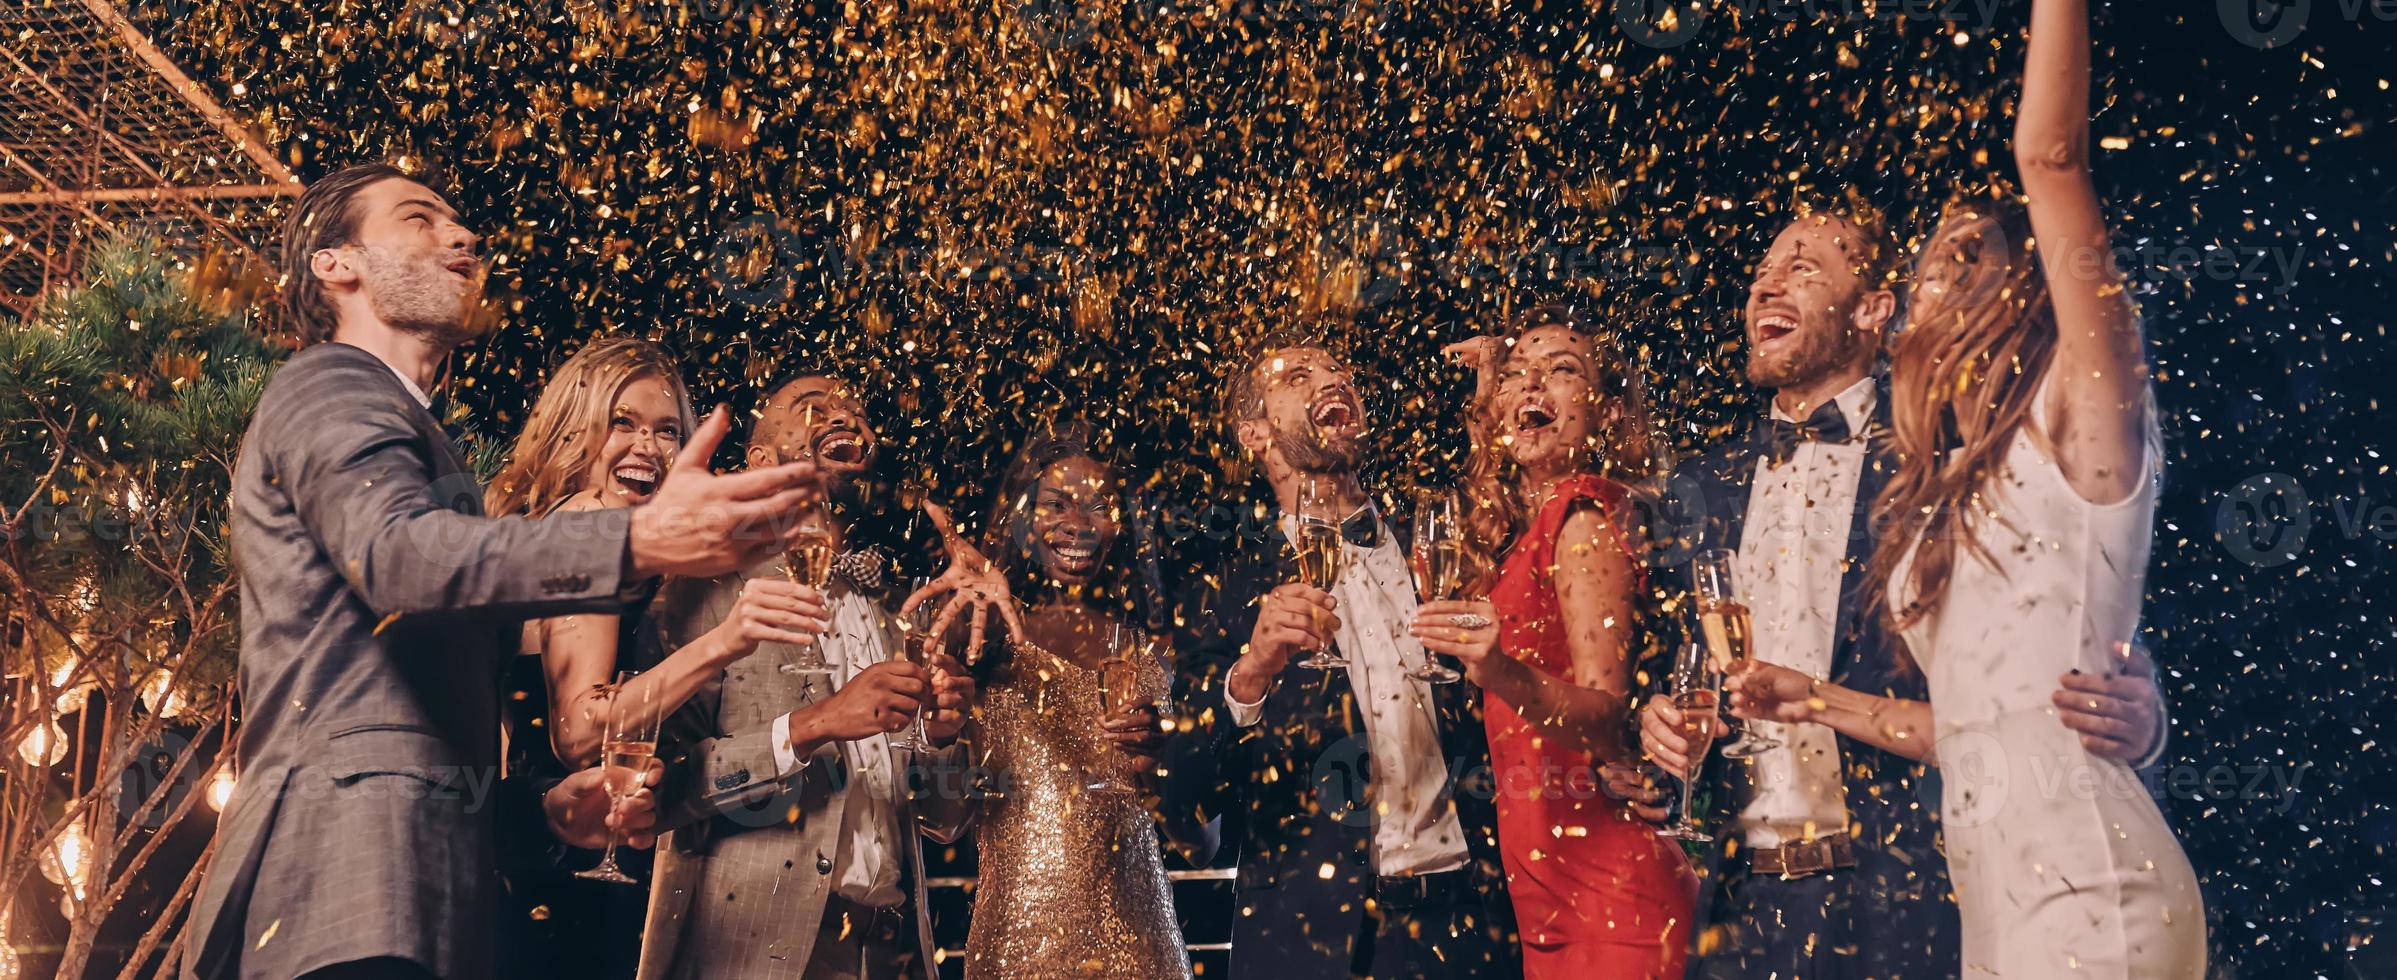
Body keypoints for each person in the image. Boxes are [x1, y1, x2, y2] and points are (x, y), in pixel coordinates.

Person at [188, 161, 821, 980]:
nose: (462, 237)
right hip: (342, 885)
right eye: (418, 218)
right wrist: (636, 542)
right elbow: (396, 557)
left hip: (435, 902)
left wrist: (540, 816)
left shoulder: (426, 442)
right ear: (335, 264)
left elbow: (429, 710)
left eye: (461, 225)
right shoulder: (330, 385)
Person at [1631, 195, 2174, 979]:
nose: (1765, 287)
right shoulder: (1701, 485)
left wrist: (2144, 717)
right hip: (1742, 908)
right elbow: (1689, 676)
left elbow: (2069, 611)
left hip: (1910, 890)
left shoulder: (1940, 447)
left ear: (1872, 309)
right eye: (1760, 273)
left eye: (1801, 268)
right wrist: (1661, 737)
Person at [1857, 0, 2207, 973]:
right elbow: (1970, 720)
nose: (1930, 280)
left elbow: (2052, 160)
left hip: (2099, 892)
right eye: (1930, 261)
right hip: (1998, 917)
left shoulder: (2078, 423)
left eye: (1964, 258)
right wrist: (1804, 700)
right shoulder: (1942, 490)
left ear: (2023, 291)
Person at [1161, 338, 1520, 979]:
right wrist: (1250, 675)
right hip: (1308, 937)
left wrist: (1493, 401)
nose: (1332, 381)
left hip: (1464, 920)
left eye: (1338, 370)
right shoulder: (1227, 590)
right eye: (1299, 376)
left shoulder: (1437, 545)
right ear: (1255, 434)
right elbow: (1183, 795)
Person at [482, 337, 830, 977]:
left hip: (573, 866)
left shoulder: (602, 546)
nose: (648, 447)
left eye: (667, 431)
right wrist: (726, 640)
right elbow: (581, 732)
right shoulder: (585, 524)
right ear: (573, 430)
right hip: (577, 889)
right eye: (623, 423)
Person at [636, 372, 977, 980]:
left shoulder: (900, 607)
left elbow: (944, 822)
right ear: (759, 460)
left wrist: (942, 739)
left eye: (854, 408)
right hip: (755, 956)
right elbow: (656, 793)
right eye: (812, 407)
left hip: (891, 954)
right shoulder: (707, 590)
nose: (843, 415)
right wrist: (816, 725)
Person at [1424, 305, 1694, 978]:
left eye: (1562, 371)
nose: (1532, 384)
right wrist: (1495, 385)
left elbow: (1606, 712)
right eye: (1518, 375)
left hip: (1610, 887)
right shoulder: (1524, 526)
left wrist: (1496, 671)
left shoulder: (1581, 512)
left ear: (1603, 411)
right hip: (1546, 890)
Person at [899, 426, 1189, 978]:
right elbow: (941, 822)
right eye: (1055, 504)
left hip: (1146, 955)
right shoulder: (982, 642)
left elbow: (1201, 840)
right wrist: (938, 730)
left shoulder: (1150, 653)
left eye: (1099, 506)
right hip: (1015, 953)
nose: (1078, 523)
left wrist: (1161, 769)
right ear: (1021, 517)